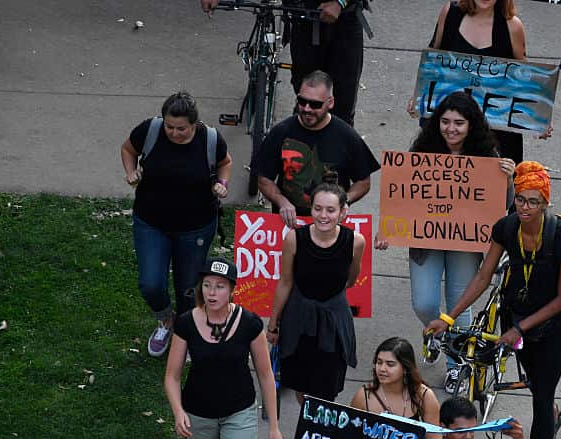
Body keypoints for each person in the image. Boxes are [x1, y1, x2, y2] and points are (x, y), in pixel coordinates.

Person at [426, 161, 561, 439]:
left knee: (540, 395)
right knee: (539, 385)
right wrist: (448, 316)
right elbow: (482, 277)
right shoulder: (506, 228)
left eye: (533, 202)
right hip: (515, 319)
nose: (524, 207)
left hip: (552, 326)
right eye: (520, 200)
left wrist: (521, 329)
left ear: (545, 204)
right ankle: (551, 412)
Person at [267, 181, 366, 439]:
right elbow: (285, 281)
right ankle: (316, 436)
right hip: (299, 317)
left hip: (333, 320)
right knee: (302, 392)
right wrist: (273, 322)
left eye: (331, 210)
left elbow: (351, 279)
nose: (323, 215)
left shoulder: (356, 241)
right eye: (319, 209)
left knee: (323, 397)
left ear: (343, 212)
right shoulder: (295, 237)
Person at [382, 91, 514, 329]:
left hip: (466, 243)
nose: (451, 129)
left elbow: (503, 203)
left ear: (471, 125)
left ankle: (456, 366)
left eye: (459, 123)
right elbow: (402, 195)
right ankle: (435, 334)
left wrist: (508, 179)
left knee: (459, 307)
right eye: (445, 121)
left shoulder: (487, 155)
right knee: (423, 304)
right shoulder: (422, 151)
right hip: (425, 241)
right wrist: (388, 229)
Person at [165, 258, 283, 439]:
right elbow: (172, 376)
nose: (211, 292)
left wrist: (274, 425)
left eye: (219, 286)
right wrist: (178, 412)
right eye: (207, 285)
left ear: (231, 290)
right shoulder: (186, 323)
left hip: (239, 410)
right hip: (199, 413)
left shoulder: (249, 323)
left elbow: (265, 375)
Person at [120, 91, 232, 358]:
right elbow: (128, 149)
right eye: (170, 127)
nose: (174, 133)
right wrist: (130, 171)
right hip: (151, 222)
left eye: (181, 128)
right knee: (150, 283)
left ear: (194, 124)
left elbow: (225, 163)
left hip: (196, 227)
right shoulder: (150, 130)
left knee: (189, 288)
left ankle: (186, 331)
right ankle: (165, 320)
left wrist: (223, 184)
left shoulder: (210, 139)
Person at [203, 0, 368, 127]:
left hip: (345, 20)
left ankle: (341, 157)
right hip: (304, 17)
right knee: (306, 97)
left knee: (344, 101)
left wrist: (340, 2)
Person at [256, 70, 380, 228]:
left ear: (330, 103)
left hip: (330, 228)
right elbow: (264, 178)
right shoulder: (281, 132)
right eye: (301, 101)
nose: (307, 109)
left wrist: (344, 201)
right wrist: (282, 201)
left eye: (315, 104)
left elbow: (363, 181)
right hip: (290, 226)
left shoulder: (347, 136)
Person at [417, 0, 527, 163]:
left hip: (497, 134)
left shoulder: (513, 26)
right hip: (451, 130)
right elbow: (433, 57)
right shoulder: (450, 13)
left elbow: (524, 76)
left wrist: (540, 115)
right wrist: (419, 94)